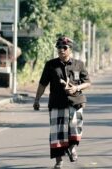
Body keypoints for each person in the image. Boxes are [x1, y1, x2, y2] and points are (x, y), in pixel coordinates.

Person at [33, 36, 91, 169]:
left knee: (75, 128)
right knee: (57, 134)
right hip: (57, 103)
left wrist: (76, 88)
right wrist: (37, 100)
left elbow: (87, 82)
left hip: (75, 102)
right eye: (59, 47)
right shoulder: (50, 65)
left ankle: (72, 148)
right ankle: (59, 162)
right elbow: (42, 84)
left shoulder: (79, 64)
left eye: (64, 48)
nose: (61, 50)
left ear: (70, 49)